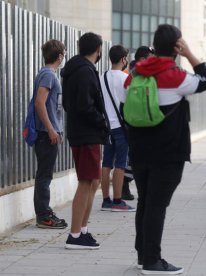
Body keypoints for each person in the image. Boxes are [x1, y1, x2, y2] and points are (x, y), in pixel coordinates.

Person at [126, 24, 206, 275]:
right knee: (157, 205)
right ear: (177, 46)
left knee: (145, 201)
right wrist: (189, 55)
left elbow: (126, 103)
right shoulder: (176, 77)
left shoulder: (136, 73)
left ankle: (143, 255)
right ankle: (153, 261)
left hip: (139, 149)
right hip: (168, 153)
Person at [61, 32, 110, 249]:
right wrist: (102, 122)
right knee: (86, 182)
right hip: (87, 133)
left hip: (85, 132)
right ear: (98, 49)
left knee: (93, 181)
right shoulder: (83, 72)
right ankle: (75, 235)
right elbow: (84, 105)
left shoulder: (79, 69)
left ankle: (82, 230)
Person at [33, 39, 67, 229]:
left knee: (44, 174)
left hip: (47, 133)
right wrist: (51, 129)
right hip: (46, 134)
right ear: (60, 56)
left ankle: (44, 212)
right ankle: (43, 215)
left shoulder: (47, 74)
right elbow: (40, 103)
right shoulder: (48, 75)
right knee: (44, 175)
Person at [99, 45, 135, 212]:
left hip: (107, 127)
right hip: (121, 127)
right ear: (123, 59)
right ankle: (118, 201)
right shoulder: (125, 79)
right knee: (120, 164)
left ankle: (106, 200)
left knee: (106, 163)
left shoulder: (101, 77)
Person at [122, 45, 155, 201]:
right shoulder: (136, 74)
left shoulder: (135, 73)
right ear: (142, 59)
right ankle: (124, 184)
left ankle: (127, 184)